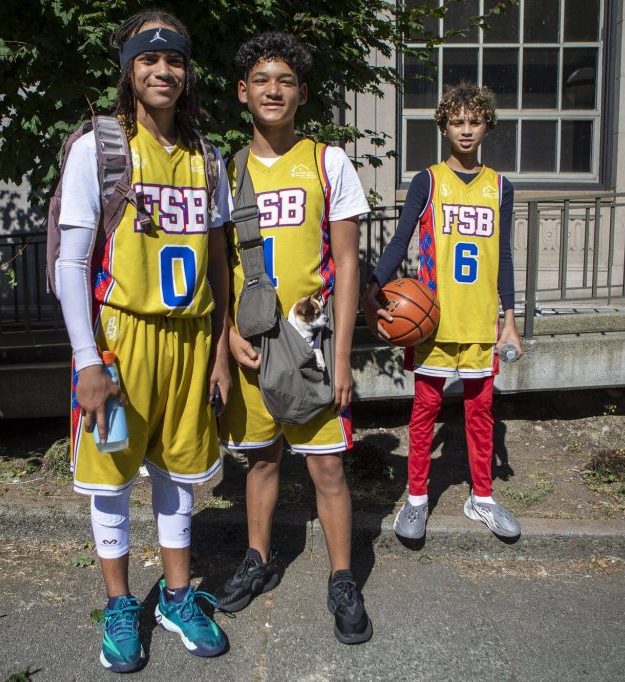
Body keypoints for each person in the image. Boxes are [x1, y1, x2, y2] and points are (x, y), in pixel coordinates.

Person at [55, 9, 233, 672]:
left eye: (175, 60)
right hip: (122, 340)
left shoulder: (205, 155)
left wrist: (218, 347)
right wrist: (87, 361)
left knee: (179, 473)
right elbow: (70, 264)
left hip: (189, 339)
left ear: (187, 73)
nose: (164, 71)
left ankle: (177, 597)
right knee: (111, 478)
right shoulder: (99, 147)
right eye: (149, 59)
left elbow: (217, 263)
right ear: (129, 70)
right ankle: (121, 604)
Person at [216, 32, 373, 645]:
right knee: (261, 459)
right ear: (242, 92)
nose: (272, 89)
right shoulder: (226, 171)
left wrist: (342, 359)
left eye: (284, 80)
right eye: (261, 80)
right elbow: (218, 266)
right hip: (252, 342)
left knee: (328, 468)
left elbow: (348, 263)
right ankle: (257, 559)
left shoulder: (328, 161)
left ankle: (341, 578)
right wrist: (225, 337)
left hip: (311, 344)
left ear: (302, 93)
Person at [363, 81, 522, 542]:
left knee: (481, 411)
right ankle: (415, 500)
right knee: (425, 409)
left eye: (474, 121)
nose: (466, 130)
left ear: (487, 125)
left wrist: (509, 321)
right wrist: (373, 287)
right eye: (457, 121)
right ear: (444, 126)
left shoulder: (500, 186)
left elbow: (503, 256)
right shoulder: (428, 180)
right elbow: (399, 239)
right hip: (433, 320)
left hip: (479, 323)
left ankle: (483, 497)